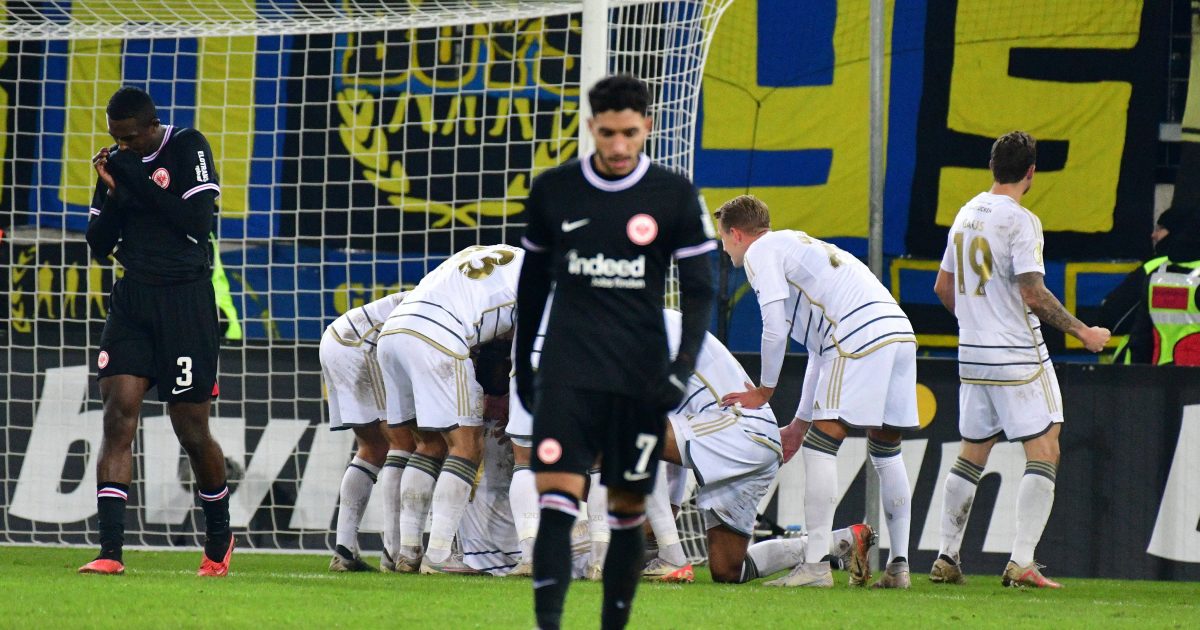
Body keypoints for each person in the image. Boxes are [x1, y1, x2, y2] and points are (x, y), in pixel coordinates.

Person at [514, 74, 716, 630]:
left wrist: (681, 369)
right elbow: (532, 285)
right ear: (591, 128)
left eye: (630, 133)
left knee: (626, 513)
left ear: (647, 126)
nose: (620, 145)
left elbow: (700, 290)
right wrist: (523, 368)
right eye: (608, 134)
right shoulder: (555, 190)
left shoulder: (673, 194)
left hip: (638, 381)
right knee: (557, 506)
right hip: (567, 375)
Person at [930, 131, 1110, 588]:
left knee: (972, 451)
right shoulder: (1021, 221)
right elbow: (1033, 293)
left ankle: (947, 556)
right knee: (1045, 447)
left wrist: (977, 321)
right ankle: (1022, 561)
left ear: (992, 166)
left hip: (972, 355)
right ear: (1031, 172)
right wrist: (1083, 332)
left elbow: (943, 288)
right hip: (1016, 353)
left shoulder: (966, 214)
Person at [717, 194, 918, 589]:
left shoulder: (760, 252)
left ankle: (815, 566)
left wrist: (765, 390)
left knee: (821, 448)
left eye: (723, 239)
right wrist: (798, 423)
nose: (724, 249)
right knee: (886, 450)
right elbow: (818, 351)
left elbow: (773, 325)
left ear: (737, 234)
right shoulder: (797, 245)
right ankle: (899, 567)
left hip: (857, 334)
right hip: (898, 331)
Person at [80, 86, 232, 576]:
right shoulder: (118, 165)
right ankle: (110, 552)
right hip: (133, 300)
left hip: (185, 302)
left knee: (191, 429)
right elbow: (99, 245)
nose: (122, 146)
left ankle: (219, 535)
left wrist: (135, 182)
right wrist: (112, 191)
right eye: (116, 138)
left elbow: (195, 222)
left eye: (130, 138)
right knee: (117, 416)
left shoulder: (187, 145)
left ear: (151, 125)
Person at [377, 244, 524, 574]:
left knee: (427, 444)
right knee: (466, 446)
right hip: (439, 335)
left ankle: (407, 551)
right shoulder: (541, 273)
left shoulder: (481, 254)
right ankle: (440, 555)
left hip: (393, 332)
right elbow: (524, 348)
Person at [319, 292, 416, 571]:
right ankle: (395, 552)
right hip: (363, 342)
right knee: (403, 444)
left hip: (339, 336)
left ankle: (345, 550)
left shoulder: (446, 292)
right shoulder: (460, 307)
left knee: (373, 448)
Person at [1098, 207, 1198, 363]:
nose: (1153, 235)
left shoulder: (1158, 269)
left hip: (1153, 370)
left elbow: (1114, 317)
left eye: (1160, 229)